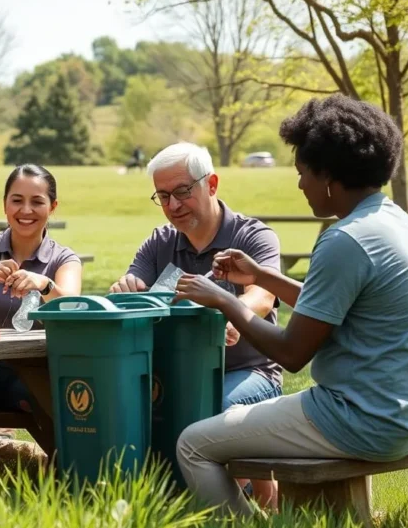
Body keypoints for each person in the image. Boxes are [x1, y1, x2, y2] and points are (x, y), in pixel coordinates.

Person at [172, 95, 408, 516]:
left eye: (303, 173)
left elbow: (291, 353)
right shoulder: (390, 220)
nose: (300, 185)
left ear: (328, 177)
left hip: (362, 421)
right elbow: (331, 307)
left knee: (193, 444)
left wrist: (223, 300)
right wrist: (262, 276)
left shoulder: (344, 240)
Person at [108, 141, 283, 506]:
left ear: (212, 184)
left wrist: (232, 315)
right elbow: (133, 288)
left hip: (250, 372)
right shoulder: (160, 244)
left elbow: (262, 297)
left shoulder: (252, 237)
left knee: (204, 411)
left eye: (183, 192)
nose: (173, 206)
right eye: (163, 195)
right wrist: (127, 288)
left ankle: (256, 504)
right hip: (175, 373)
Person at [0, 164, 81, 443]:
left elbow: (74, 308)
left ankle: (67, 472)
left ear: (52, 207)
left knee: (48, 396)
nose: (25, 210)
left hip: (34, 372)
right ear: (4, 205)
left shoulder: (64, 259)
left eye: (37, 202)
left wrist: (45, 285)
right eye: (17, 200)